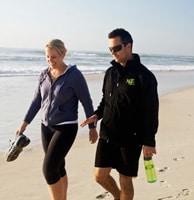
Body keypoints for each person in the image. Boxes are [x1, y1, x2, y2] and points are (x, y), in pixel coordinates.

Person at [80, 28, 159, 200]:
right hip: (108, 133)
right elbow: (105, 101)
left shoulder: (144, 76)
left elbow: (151, 111)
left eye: (116, 48)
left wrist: (149, 141)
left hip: (131, 137)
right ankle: (118, 197)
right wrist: (96, 115)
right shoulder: (110, 73)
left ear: (128, 46)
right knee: (99, 175)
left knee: (125, 180)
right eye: (110, 49)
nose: (113, 53)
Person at [15, 39, 98, 200]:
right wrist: (24, 124)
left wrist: (92, 127)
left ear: (63, 54)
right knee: (58, 166)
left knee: (48, 168)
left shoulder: (74, 75)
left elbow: (86, 101)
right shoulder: (43, 75)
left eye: (54, 57)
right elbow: (36, 101)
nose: (50, 61)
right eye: (47, 57)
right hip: (46, 127)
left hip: (66, 127)